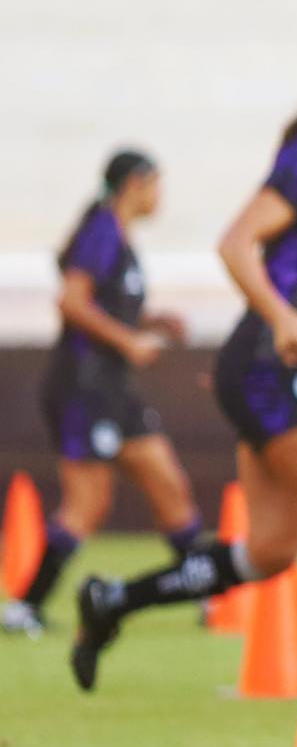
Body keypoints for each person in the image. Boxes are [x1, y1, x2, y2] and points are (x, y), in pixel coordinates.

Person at [69, 34, 297, 692]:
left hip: (291, 367)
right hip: (272, 365)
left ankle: (111, 601)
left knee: (266, 552)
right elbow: (237, 243)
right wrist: (279, 315)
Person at [3, 152, 202, 637]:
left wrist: (151, 321)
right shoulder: (101, 230)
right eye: (156, 184)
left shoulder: (118, 237)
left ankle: (209, 592)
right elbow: (72, 301)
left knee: (169, 485)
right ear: (134, 184)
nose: (160, 196)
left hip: (114, 389)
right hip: (83, 389)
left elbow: (106, 302)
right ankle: (24, 607)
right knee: (88, 503)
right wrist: (129, 339)